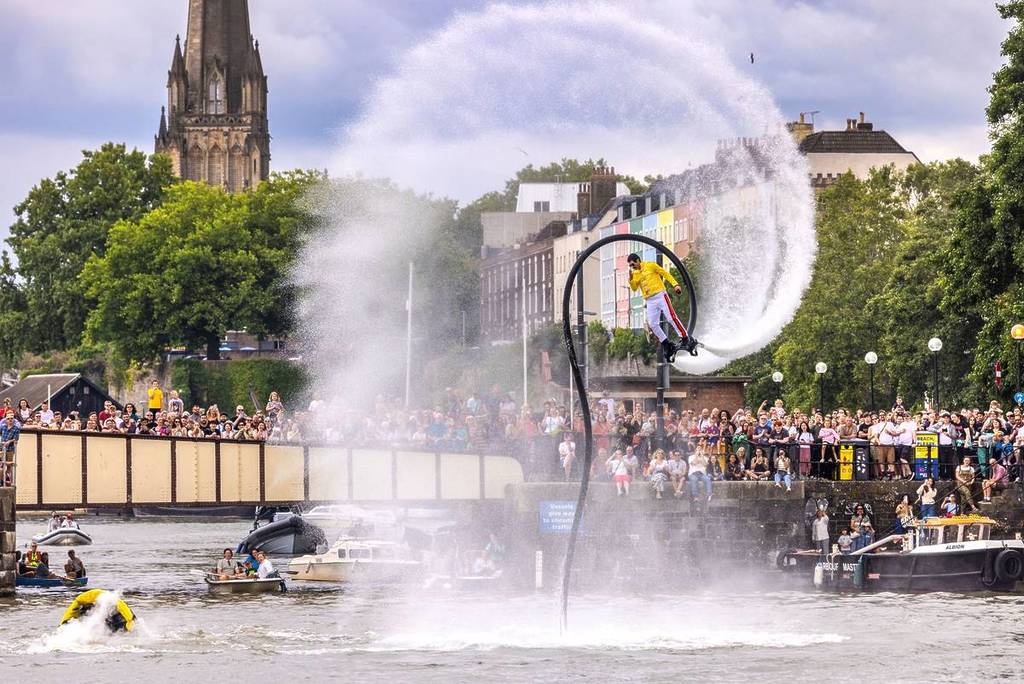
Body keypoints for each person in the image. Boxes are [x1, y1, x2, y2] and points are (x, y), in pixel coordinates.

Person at [625, 252, 698, 362]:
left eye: (633, 263)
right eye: (630, 265)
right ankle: (667, 344)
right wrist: (630, 279)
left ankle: (685, 338)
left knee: (671, 317)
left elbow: (665, 274)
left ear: (638, 260)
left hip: (660, 295)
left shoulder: (650, 265)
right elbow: (635, 288)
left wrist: (675, 285)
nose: (633, 266)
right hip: (649, 300)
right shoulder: (635, 274)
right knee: (653, 324)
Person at [0, 413, 20, 486]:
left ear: (13, 419)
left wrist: (9, 441)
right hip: (2, 448)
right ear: (6, 420)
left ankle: (8, 480)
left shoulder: (16, 428)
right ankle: (1, 480)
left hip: (10, 449)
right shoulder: (3, 427)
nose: (10, 420)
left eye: (11, 418)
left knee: (9, 465)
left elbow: (16, 439)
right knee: (1, 464)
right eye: (8, 418)